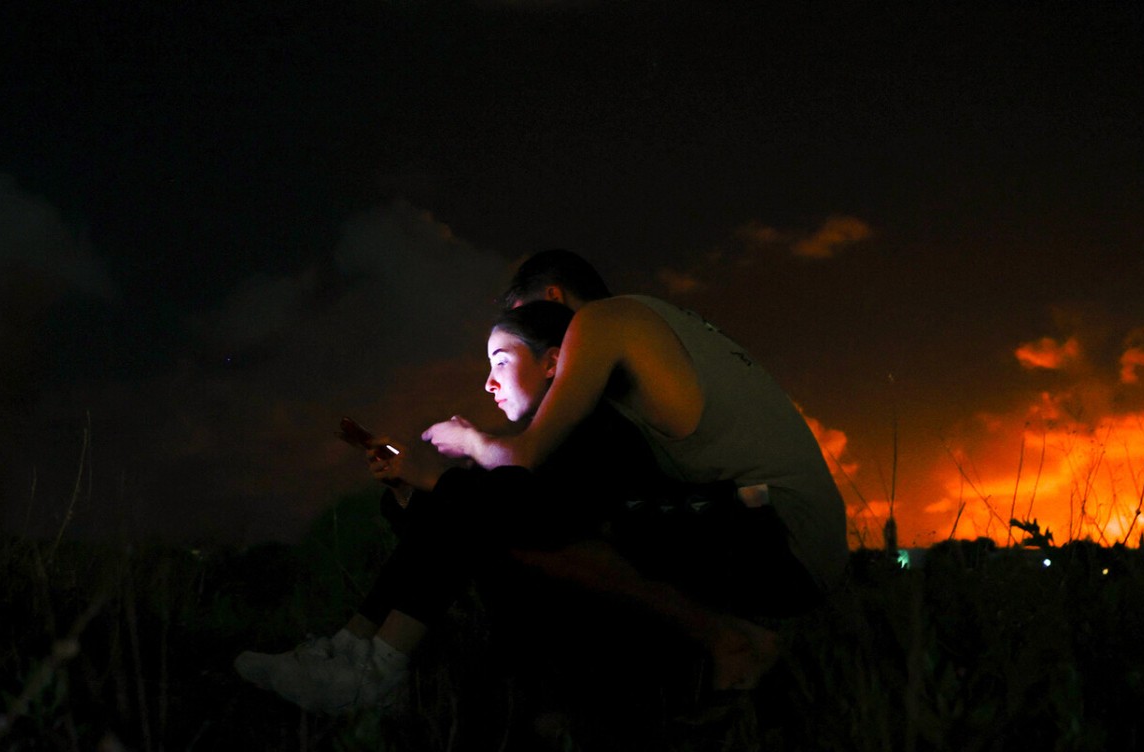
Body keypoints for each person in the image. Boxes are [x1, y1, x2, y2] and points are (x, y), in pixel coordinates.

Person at [426, 250, 849, 668]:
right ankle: (690, 660)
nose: (531, 338)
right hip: (808, 540)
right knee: (567, 512)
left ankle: (730, 645)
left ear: (553, 297)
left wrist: (469, 441)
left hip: (781, 538)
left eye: (526, 322)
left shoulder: (601, 323)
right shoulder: (654, 321)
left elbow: (526, 456)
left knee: (535, 529)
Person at [234, 299, 652, 712]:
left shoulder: (601, 431)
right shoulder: (533, 447)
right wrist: (405, 486)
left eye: (501, 362)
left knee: (476, 496)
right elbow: (447, 532)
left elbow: (536, 516)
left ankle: (379, 669)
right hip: (549, 599)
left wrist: (433, 478)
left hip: (605, 613)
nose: (489, 383)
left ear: (552, 362)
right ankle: (350, 652)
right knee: (468, 497)